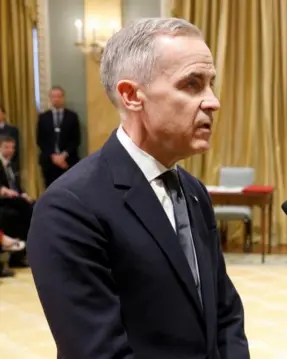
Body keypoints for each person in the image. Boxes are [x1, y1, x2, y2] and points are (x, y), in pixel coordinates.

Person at [27, 18, 249, 359]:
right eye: (192, 84)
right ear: (131, 96)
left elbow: (225, 313)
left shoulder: (193, 191)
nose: (213, 101)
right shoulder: (68, 207)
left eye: (211, 84)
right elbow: (97, 350)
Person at [36, 86, 81, 187]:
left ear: (63, 98)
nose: (56, 99)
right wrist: (54, 156)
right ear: (50, 98)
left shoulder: (72, 116)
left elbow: (76, 140)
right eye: (53, 97)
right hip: (49, 162)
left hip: (68, 161)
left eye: (59, 96)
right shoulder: (43, 117)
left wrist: (63, 156)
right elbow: (40, 141)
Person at [0, 135, 33, 268]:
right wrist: (5, 191)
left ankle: (20, 255)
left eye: (12, 147)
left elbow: (16, 186)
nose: (10, 150)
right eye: (6, 147)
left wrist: (23, 194)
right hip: (3, 201)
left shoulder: (12, 165)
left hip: (13, 200)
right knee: (19, 212)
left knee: (32, 206)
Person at [0, 105, 20, 174]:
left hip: (10, 164)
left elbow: (16, 148)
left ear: (4, 114)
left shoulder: (12, 130)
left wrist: (7, 160)